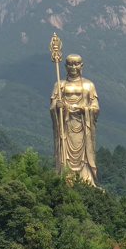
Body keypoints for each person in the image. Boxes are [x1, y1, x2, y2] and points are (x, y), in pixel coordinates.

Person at [50, 54, 99, 185]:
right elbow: (53, 107)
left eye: (76, 64)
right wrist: (57, 106)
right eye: (70, 64)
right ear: (65, 66)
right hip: (65, 127)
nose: (73, 67)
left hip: (83, 127)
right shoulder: (59, 86)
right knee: (65, 152)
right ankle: (66, 177)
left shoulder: (89, 86)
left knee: (84, 156)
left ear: (81, 65)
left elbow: (95, 108)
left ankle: (86, 179)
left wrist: (84, 109)